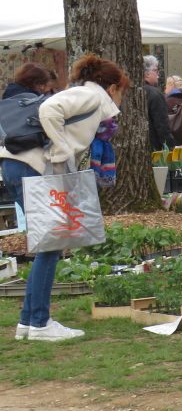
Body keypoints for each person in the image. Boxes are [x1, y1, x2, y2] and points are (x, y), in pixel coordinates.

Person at [5, 54, 129, 341]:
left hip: (18, 164)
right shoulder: (91, 96)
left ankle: (29, 322)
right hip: (32, 166)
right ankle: (39, 323)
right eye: (121, 91)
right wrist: (61, 153)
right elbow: (49, 111)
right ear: (112, 87)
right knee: (52, 243)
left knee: (49, 242)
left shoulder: (83, 94)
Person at [143, 55, 172, 151]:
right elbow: (162, 125)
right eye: (155, 70)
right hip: (154, 149)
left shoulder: (130, 91)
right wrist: (170, 147)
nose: (158, 75)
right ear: (146, 73)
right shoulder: (155, 94)